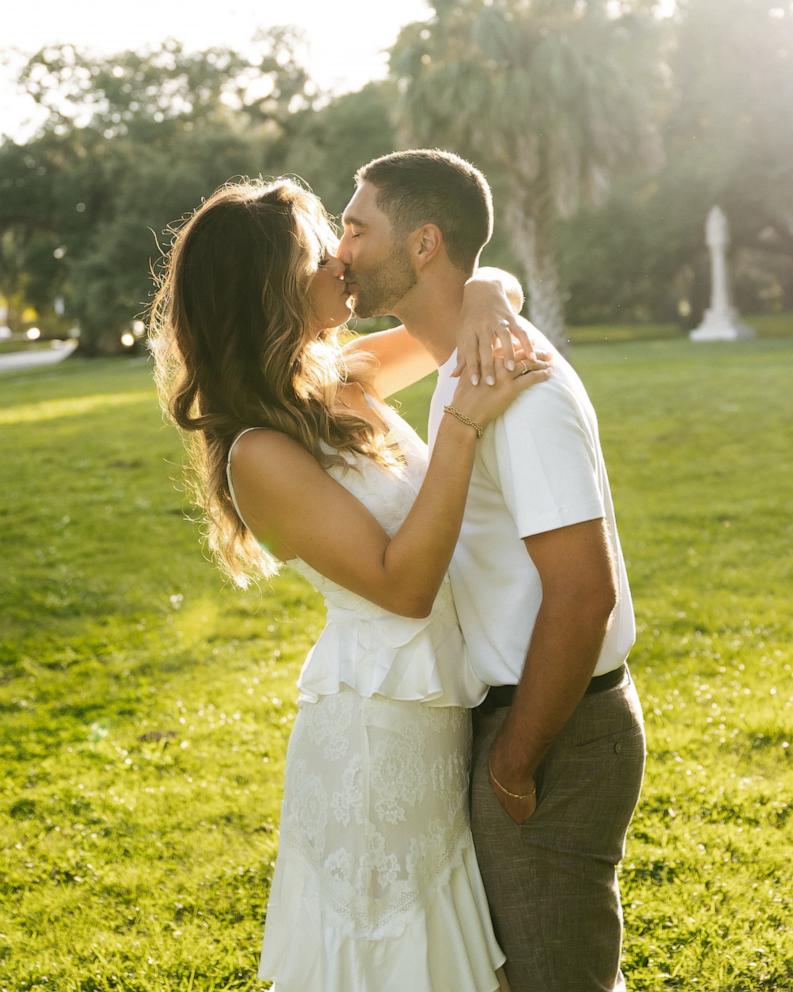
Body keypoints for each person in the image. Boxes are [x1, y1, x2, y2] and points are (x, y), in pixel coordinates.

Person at [147, 175, 551, 991]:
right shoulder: (257, 452)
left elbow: (487, 294)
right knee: (391, 960)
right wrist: (463, 427)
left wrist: (480, 294)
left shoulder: (340, 378)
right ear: (270, 285)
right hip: (373, 745)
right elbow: (399, 587)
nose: (343, 256)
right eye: (318, 247)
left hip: (434, 720)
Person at [337, 148, 646, 992]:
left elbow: (582, 594)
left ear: (425, 242)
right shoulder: (462, 370)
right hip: (514, 714)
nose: (342, 249)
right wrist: (487, 288)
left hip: (556, 726)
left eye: (356, 227)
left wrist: (513, 759)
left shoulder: (520, 388)